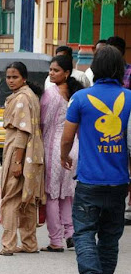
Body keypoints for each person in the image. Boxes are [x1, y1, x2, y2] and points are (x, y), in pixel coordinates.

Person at [61, 45, 131, 274]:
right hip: (119, 182)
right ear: (120, 69)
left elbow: (67, 137)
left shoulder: (81, 99)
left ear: (96, 69)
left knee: (84, 232)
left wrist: (63, 156)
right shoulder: (129, 97)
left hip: (90, 181)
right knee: (110, 238)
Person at [0, 61, 45, 256]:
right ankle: (29, 243)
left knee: (10, 199)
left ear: (24, 78)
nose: (10, 80)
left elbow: (22, 133)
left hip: (20, 154)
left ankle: (8, 244)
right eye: (8, 77)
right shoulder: (27, 95)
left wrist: (16, 162)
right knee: (27, 199)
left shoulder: (22, 99)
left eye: (15, 77)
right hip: (31, 154)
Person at [40, 56, 84, 252]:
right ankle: (71, 233)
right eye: (50, 70)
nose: (51, 73)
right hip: (75, 147)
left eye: (55, 70)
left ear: (66, 73)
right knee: (67, 195)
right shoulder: (77, 94)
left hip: (55, 147)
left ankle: (56, 240)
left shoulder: (51, 94)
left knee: (51, 195)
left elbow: (44, 124)